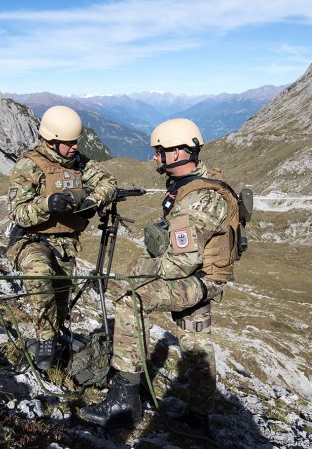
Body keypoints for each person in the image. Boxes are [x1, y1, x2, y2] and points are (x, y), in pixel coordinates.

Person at [80, 118, 241, 434]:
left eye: (160, 151)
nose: (155, 157)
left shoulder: (196, 199)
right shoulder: (204, 180)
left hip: (198, 278)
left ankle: (124, 402)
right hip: (209, 275)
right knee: (196, 339)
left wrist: (140, 268)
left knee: (130, 299)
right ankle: (198, 418)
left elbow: (179, 265)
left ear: (180, 152)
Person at [6, 105, 117, 370]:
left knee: (60, 302)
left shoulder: (79, 164)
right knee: (40, 274)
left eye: (75, 143)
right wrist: (47, 204)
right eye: (68, 144)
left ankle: (56, 344)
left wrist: (92, 201)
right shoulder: (28, 166)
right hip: (31, 239)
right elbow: (17, 213)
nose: (74, 148)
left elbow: (108, 182)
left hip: (66, 245)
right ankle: (46, 342)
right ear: (52, 141)